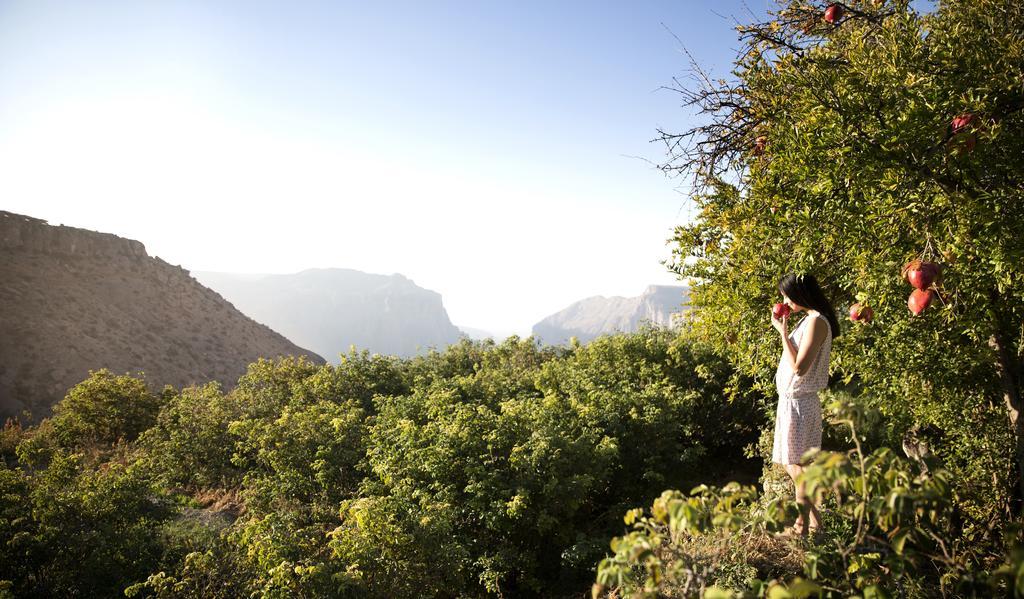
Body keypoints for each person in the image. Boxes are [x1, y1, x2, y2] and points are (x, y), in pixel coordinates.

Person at [769, 272, 840, 537]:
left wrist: (782, 333)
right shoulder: (809, 320)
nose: (784, 300)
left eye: (787, 295)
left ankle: (802, 527)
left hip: (800, 404)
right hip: (792, 403)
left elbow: (799, 367)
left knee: (798, 467)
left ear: (801, 293)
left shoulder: (817, 322)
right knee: (793, 465)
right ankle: (816, 524)